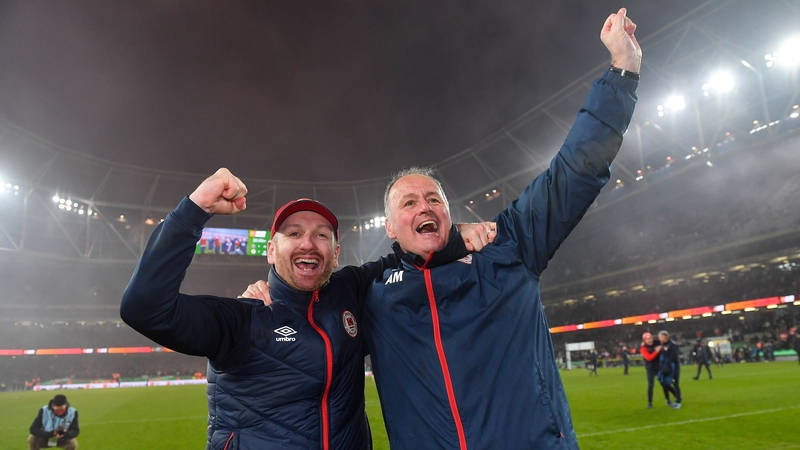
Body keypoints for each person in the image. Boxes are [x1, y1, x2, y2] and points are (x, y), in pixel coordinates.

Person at [243, 8, 640, 447]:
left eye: (434, 199)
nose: (423, 207)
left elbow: (574, 172)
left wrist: (622, 72)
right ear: (391, 227)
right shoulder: (371, 288)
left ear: (450, 212)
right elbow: (309, 298)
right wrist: (267, 291)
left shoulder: (510, 247)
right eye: (408, 203)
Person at [120, 170, 493, 449]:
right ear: (270, 250)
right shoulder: (244, 317)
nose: (309, 244)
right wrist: (194, 209)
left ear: (336, 252)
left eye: (321, 235)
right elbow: (144, 307)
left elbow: (411, 252)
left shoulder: (352, 290)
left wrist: (452, 230)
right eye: (294, 233)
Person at [657, 330, 682, 409]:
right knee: (664, 383)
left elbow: (674, 357)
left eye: (660, 337)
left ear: (665, 337)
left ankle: (678, 401)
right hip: (664, 367)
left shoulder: (672, 345)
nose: (659, 339)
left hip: (673, 367)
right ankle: (668, 399)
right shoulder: (662, 345)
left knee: (675, 383)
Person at [640, 332, 661, 408]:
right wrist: (657, 351)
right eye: (648, 339)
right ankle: (650, 402)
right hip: (650, 369)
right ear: (645, 340)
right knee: (651, 385)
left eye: (651, 338)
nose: (650, 340)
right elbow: (649, 358)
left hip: (659, 368)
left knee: (665, 384)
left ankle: (670, 399)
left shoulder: (657, 343)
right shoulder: (643, 348)